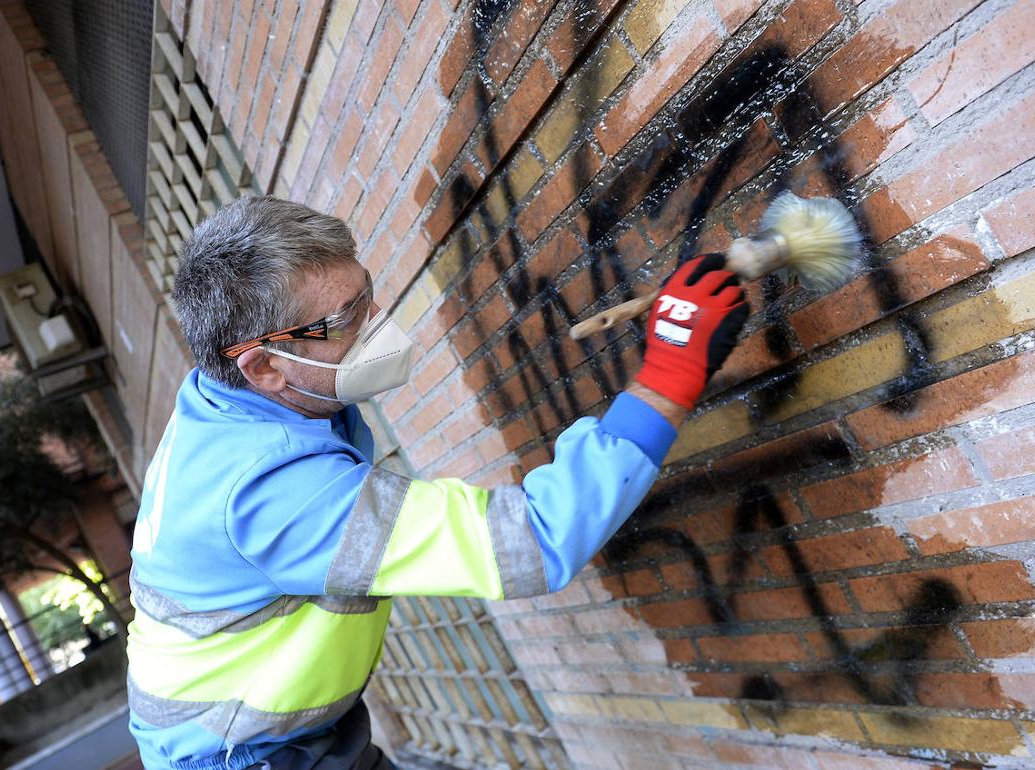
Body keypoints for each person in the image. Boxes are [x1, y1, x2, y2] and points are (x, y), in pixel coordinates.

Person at [125, 195, 748, 770]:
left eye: (366, 294)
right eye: (345, 319)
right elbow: (532, 540)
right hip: (241, 757)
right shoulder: (275, 493)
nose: (376, 321)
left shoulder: (231, 403)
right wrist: (671, 371)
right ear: (263, 365)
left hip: (258, 736)